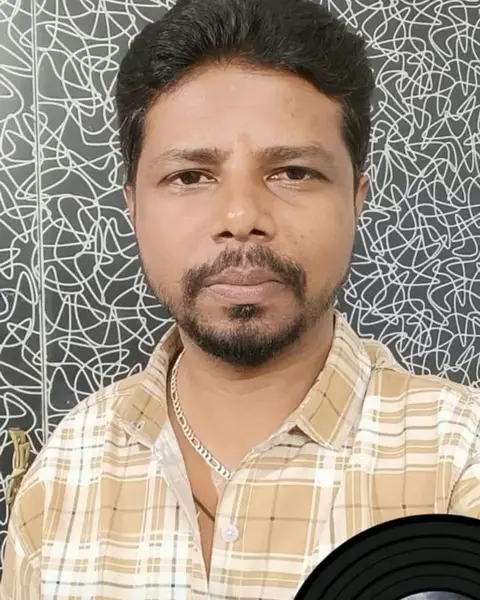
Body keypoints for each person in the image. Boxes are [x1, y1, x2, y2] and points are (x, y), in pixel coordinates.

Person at [1, 0, 479, 598]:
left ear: (356, 198)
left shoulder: (461, 456)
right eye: (190, 176)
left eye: (293, 172)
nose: (240, 216)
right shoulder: (66, 469)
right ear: (133, 206)